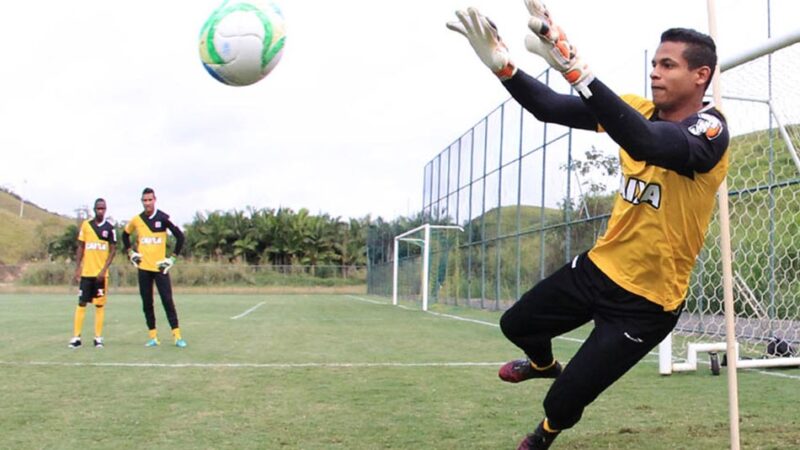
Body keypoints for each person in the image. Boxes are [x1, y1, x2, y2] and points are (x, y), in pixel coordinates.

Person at [448, 2, 729, 449]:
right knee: (517, 325)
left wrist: (576, 68)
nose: (655, 72)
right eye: (654, 63)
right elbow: (549, 108)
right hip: (599, 268)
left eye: (668, 65)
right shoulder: (638, 109)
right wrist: (504, 67)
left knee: (563, 401)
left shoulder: (711, 130)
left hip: (648, 303)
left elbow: (647, 142)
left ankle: (545, 434)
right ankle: (540, 364)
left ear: (701, 76)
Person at [122, 187, 187, 348]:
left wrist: (172, 258)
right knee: (147, 302)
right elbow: (124, 234)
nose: (147, 203)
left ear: (155, 199)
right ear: (141, 201)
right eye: (145, 200)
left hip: (160, 268)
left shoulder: (164, 218)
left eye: (150, 200)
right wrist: (130, 252)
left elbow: (180, 236)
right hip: (143, 268)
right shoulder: (137, 220)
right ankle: (153, 336)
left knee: (167, 301)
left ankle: (177, 336)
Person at [70, 198, 116, 349]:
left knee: (99, 305)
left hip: (101, 275)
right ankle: (76, 337)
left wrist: (104, 270)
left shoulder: (110, 228)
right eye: (98, 208)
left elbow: (113, 250)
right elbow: (81, 247)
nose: (100, 211)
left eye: (103, 209)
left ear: (106, 210)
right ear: (94, 209)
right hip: (86, 273)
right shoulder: (86, 225)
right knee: (81, 303)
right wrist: (78, 267)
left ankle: (98, 338)